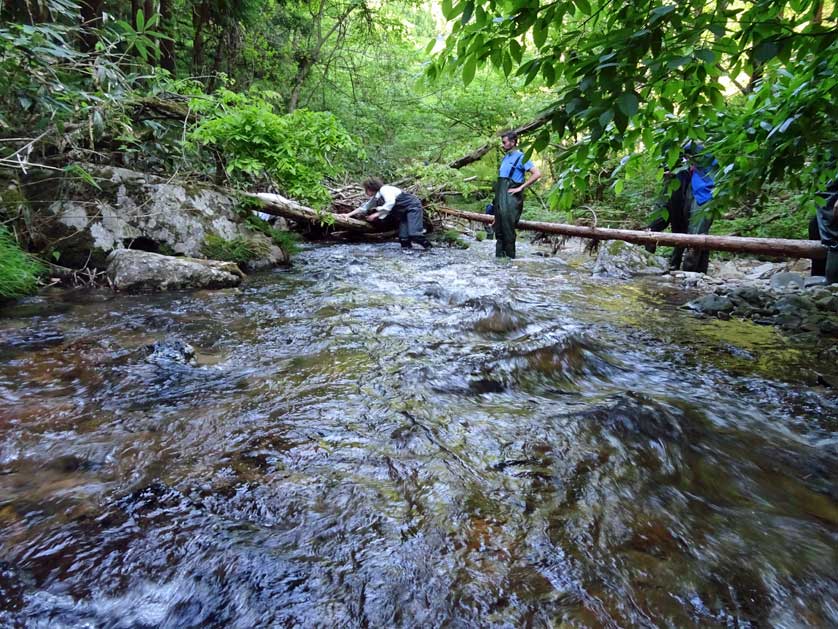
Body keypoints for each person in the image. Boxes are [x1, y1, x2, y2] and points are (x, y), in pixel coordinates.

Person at [646, 141, 716, 273]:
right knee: (663, 229)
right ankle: (674, 267)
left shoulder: (702, 165)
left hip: (701, 198)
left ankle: (691, 274)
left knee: (696, 236)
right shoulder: (680, 166)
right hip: (678, 200)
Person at [492, 131, 541, 258]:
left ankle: (509, 263)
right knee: (499, 231)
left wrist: (520, 188)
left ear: (513, 142)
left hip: (511, 200)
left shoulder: (521, 157)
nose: (502, 145)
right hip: (500, 199)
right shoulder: (505, 157)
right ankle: (499, 263)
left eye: (504, 142)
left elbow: (537, 174)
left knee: (508, 231)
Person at [347, 178, 432, 249]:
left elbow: (390, 202)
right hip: (403, 214)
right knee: (403, 239)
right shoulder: (376, 197)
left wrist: (377, 214)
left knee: (415, 235)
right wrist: (347, 215)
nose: (365, 192)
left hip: (413, 207)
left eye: (366, 189)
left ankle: (430, 250)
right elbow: (364, 207)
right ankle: (409, 257)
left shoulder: (385, 189)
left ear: (370, 188)